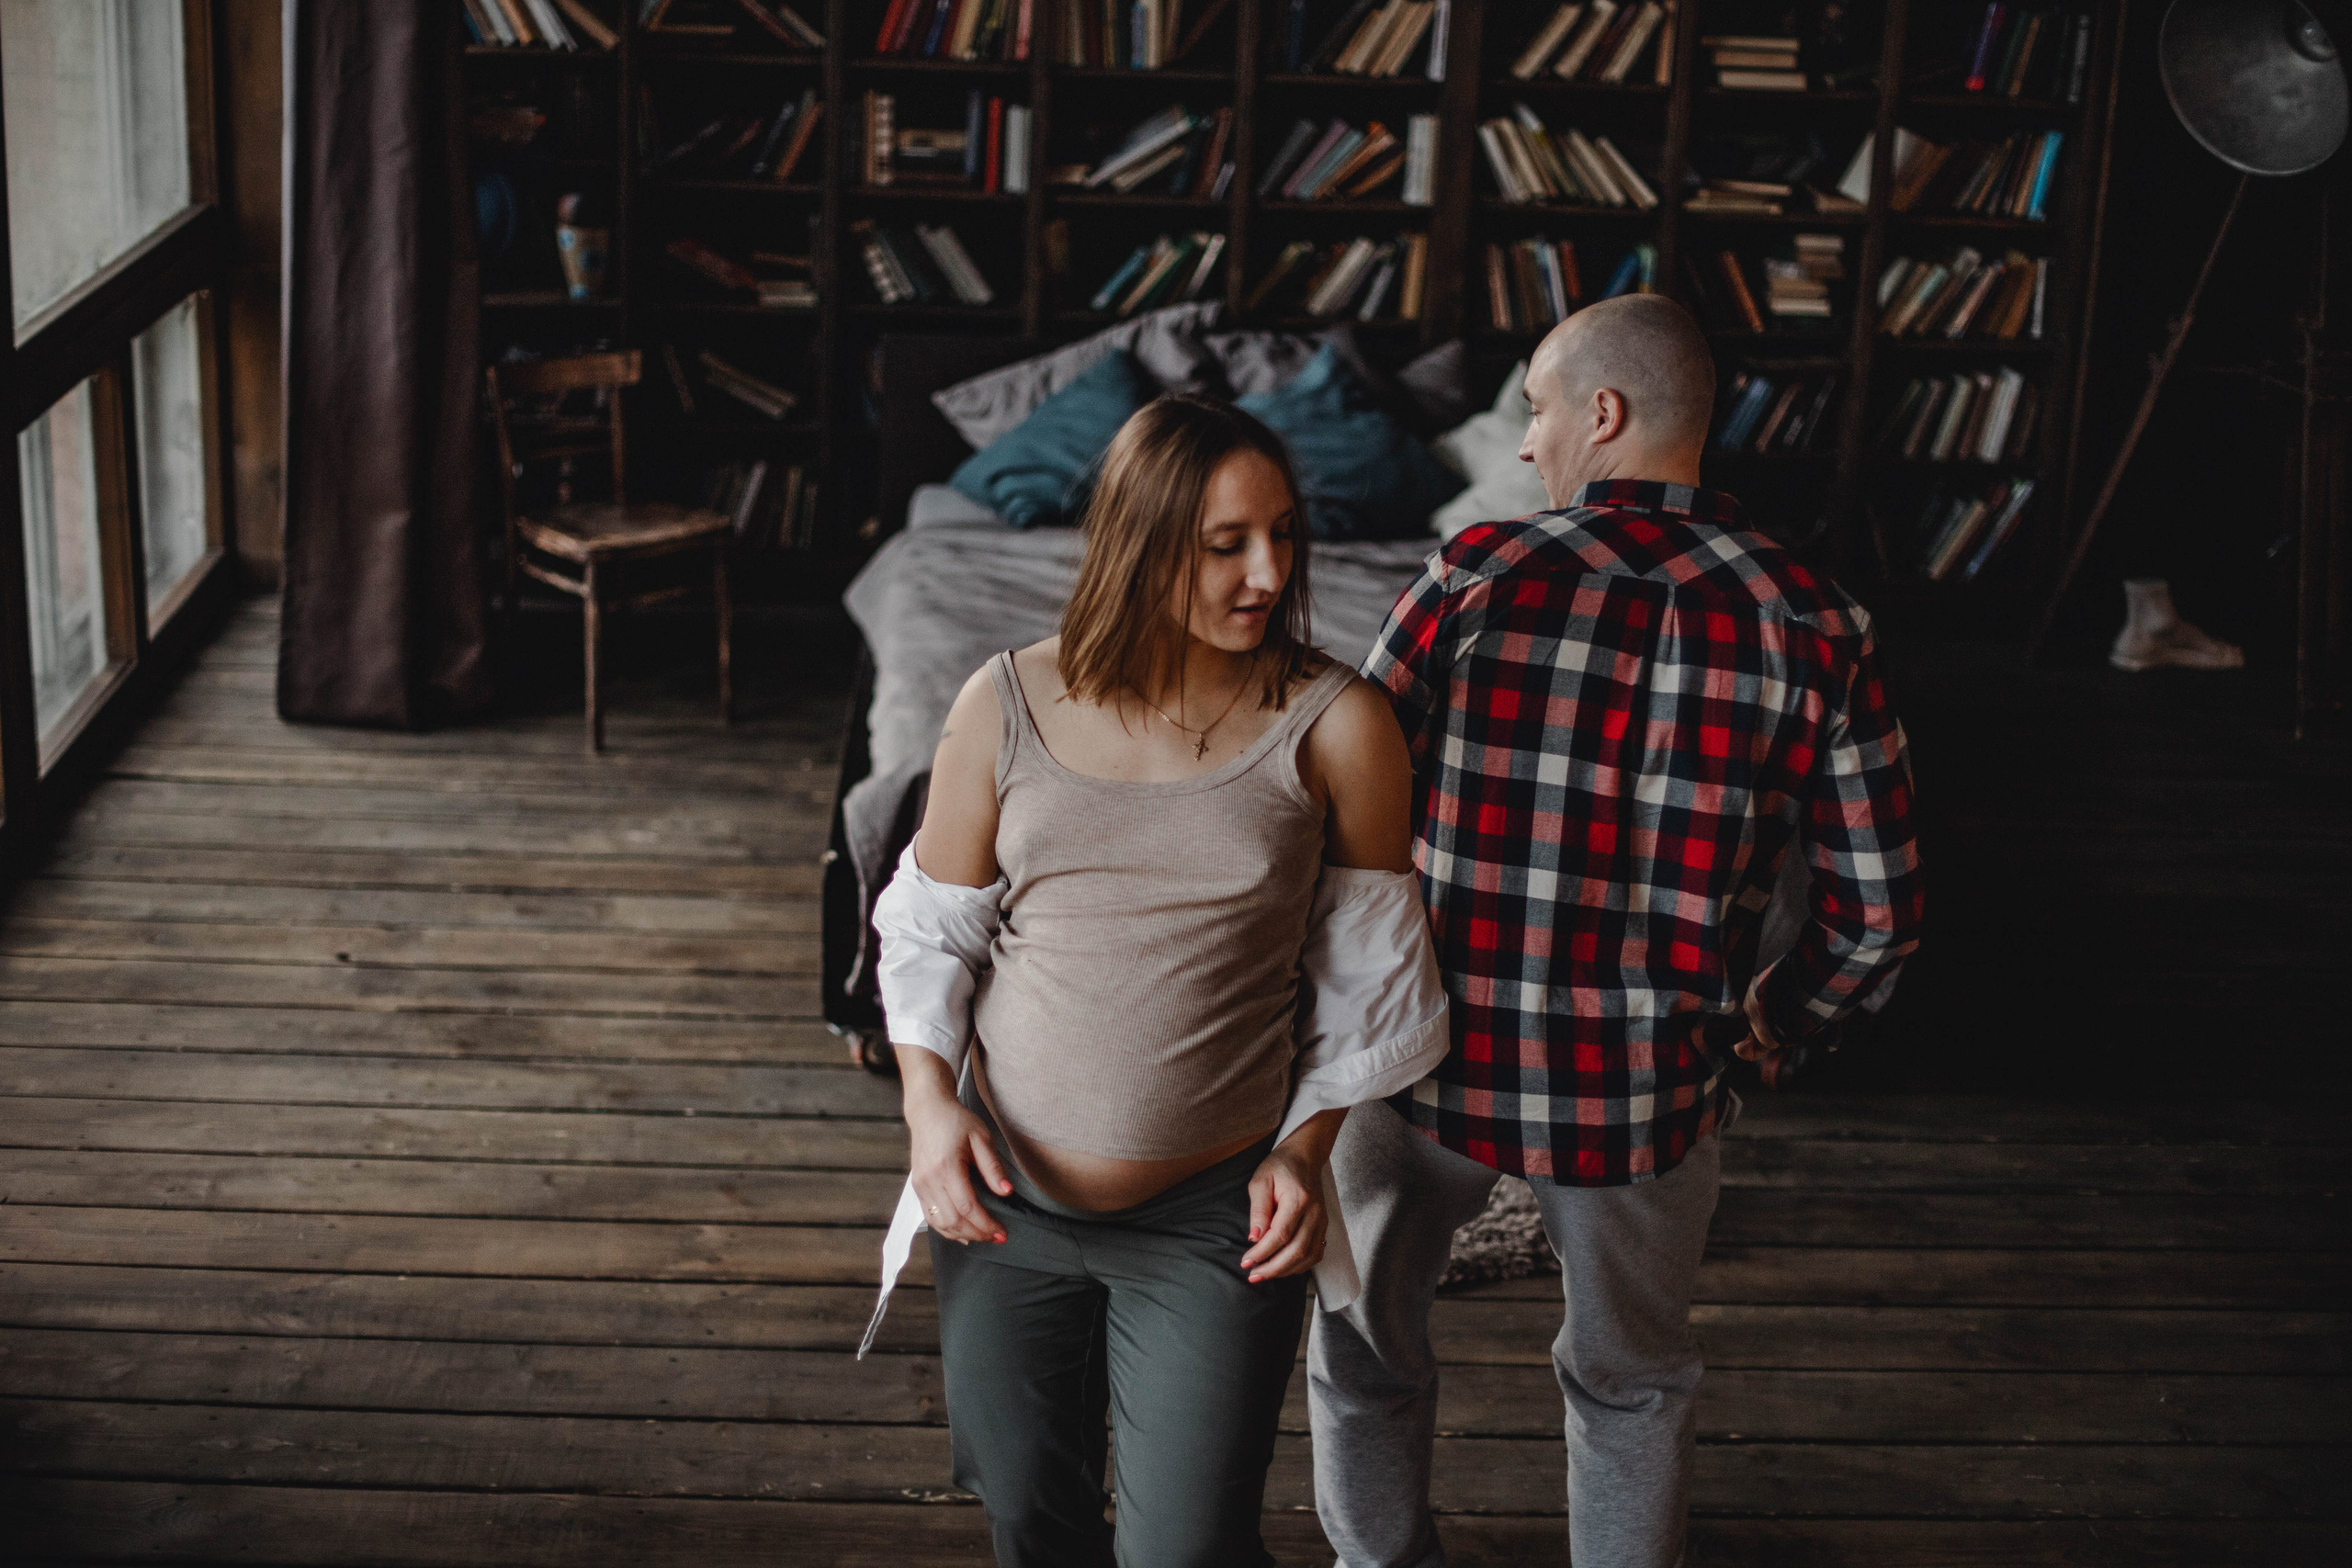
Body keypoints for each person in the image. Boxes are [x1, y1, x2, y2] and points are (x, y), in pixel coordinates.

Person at [1312, 296, 1927, 1568]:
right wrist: (1780, 1016)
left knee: (1367, 1345)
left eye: (1535, 408)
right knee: (1632, 1379)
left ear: (1606, 413)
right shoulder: (1820, 626)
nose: (1529, 445)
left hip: (1424, 1058)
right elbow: (1878, 910)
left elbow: (1332, 812)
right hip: (1646, 1091)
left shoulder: (1471, 577)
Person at [862, 394, 1451, 1568]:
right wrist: (931, 1110)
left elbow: (1367, 978)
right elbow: (929, 934)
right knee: (1028, 1516)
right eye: (1224, 543)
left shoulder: (1340, 725)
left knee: (1185, 1551)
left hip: (1210, 1223)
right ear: (1139, 543)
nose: (1267, 572)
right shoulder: (1005, 702)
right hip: (1001, 1208)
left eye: (1282, 534)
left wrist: (1305, 1148)